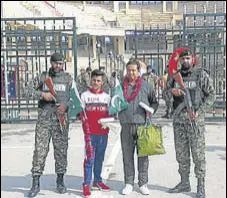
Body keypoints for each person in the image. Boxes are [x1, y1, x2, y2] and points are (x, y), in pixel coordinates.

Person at [166, 49, 215, 198]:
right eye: (183, 59)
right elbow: (165, 93)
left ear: (193, 59)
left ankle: (201, 186)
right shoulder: (175, 77)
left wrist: (201, 111)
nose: (186, 61)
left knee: (198, 155)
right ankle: (184, 182)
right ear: (180, 61)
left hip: (195, 121)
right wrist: (172, 92)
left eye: (188, 58)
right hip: (179, 121)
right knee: (181, 154)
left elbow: (211, 95)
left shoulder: (201, 75)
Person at [25, 52, 73, 197]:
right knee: (40, 151)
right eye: (55, 63)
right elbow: (28, 90)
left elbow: (75, 98)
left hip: (61, 121)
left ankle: (60, 180)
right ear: (50, 62)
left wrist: (66, 105)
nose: (58, 66)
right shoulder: (43, 77)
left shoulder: (68, 79)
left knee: (61, 152)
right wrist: (42, 95)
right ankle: (35, 183)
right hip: (44, 121)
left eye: (60, 63)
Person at [118, 59, 159, 195]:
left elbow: (154, 102)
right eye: (129, 70)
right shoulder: (120, 87)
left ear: (138, 71)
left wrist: (151, 110)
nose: (131, 73)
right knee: (127, 156)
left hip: (142, 126)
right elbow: (114, 101)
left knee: (143, 156)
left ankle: (143, 183)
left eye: (134, 70)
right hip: (126, 125)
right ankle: (129, 183)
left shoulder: (146, 86)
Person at [80, 69, 111, 197]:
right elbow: (81, 113)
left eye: (98, 81)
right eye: (94, 80)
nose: (96, 83)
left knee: (100, 158)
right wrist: (84, 122)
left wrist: (109, 120)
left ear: (102, 82)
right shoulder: (85, 96)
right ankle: (86, 184)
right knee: (89, 159)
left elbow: (111, 114)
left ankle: (97, 181)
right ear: (90, 80)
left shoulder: (107, 97)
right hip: (90, 133)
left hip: (103, 133)